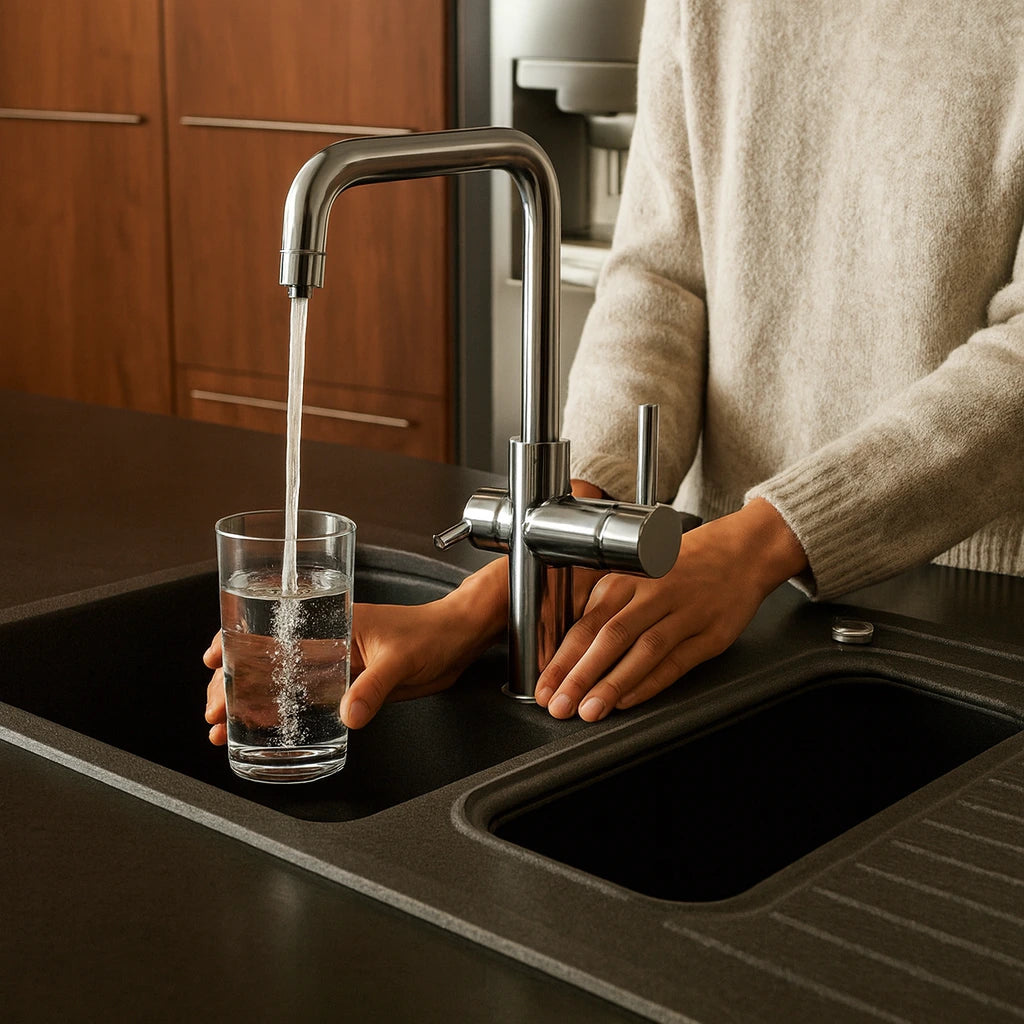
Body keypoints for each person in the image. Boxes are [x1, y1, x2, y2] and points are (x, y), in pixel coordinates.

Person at [205, 0, 1024, 743]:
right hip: (709, 602)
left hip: (969, 615)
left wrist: (763, 541)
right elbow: (661, 279)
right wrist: (502, 587)